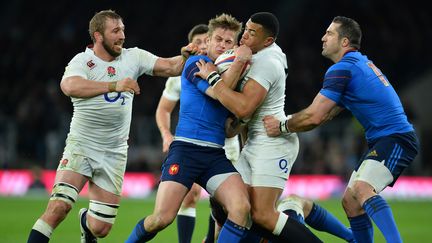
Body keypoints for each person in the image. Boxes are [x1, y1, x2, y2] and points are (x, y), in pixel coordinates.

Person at [27, 9, 194, 243]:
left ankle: (85, 222)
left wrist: (185, 57)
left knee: (100, 228)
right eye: (115, 31)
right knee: (58, 208)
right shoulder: (83, 61)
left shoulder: (133, 57)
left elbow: (170, 67)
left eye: (123, 29)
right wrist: (114, 85)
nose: (122, 35)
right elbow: (69, 86)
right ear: (98, 36)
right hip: (82, 146)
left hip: (114, 152)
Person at [263, 16, 419, 243]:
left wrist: (282, 125)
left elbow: (315, 116)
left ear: (345, 42)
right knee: (350, 202)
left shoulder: (343, 69)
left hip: (397, 138)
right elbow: (325, 114)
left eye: (329, 33)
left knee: (362, 189)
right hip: (384, 139)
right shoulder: (357, 65)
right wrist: (291, 123)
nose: (323, 37)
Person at [195, 12, 321, 242]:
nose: (244, 37)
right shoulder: (260, 54)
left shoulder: (266, 63)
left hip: (272, 143)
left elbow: (243, 108)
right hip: (255, 141)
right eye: (246, 30)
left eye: (252, 34)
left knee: (262, 214)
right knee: (224, 203)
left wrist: (214, 79)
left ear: (268, 41)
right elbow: (243, 117)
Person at [126, 13, 252, 243]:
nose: (222, 45)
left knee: (241, 208)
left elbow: (229, 130)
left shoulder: (227, 74)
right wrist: (241, 62)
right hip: (186, 151)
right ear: (209, 40)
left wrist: (241, 119)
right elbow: (217, 94)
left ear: (235, 45)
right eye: (219, 40)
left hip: (215, 154)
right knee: (161, 219)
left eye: (228, 42)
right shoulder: (196, 63)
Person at [155, 23, 241, 243]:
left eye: (207, 41)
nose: (205, 46)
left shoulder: (230, 68)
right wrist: (166, 134)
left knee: (228, 207)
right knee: (191, 196)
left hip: (225, 146)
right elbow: (164, 109)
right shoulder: (184, 71)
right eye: (200, 42)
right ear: (192, 45)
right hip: (194, 144)